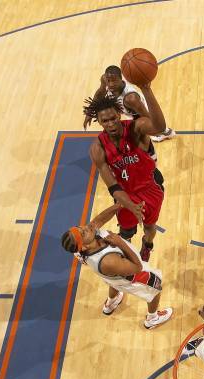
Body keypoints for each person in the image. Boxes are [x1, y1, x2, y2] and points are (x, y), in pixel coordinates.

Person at [60, 203, 173, 329]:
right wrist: (120, 243)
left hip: (113, 278)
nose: (85, 228)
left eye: (80, 228)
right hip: (131, 277)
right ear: (84, 246)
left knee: (113, 284)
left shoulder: (83, 244)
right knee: (155, 291)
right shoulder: (108, 261)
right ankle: (152, 319)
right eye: (82, 233)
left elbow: (100, 219)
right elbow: (137, 268)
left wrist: (121, 204)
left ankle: (110, 304)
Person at [84, 86, 165, 262]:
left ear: (119, 114)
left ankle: (147, 245)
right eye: (105, 121)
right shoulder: (97, 148)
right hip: (124, 195)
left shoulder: (136, 128)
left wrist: (147, 89)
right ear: (99, 121)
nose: (111, 123)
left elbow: (159, 127)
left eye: (113, 118)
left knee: (150, 228)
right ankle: (127, 253)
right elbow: (113, 186)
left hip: (151, 188)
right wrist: (131, 206)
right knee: (126, 232)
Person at [84, 65, 176, 144]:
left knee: (146, 133)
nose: (111, 84)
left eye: (114, 81)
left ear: (121, 79)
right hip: (127, 110)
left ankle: (165, 132)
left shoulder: (131, 99)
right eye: (109, 81)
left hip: (138, 111)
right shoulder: (105, 79)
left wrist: (153, 129)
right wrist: (90, 111)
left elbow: (145, 116)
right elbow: (100, 92)